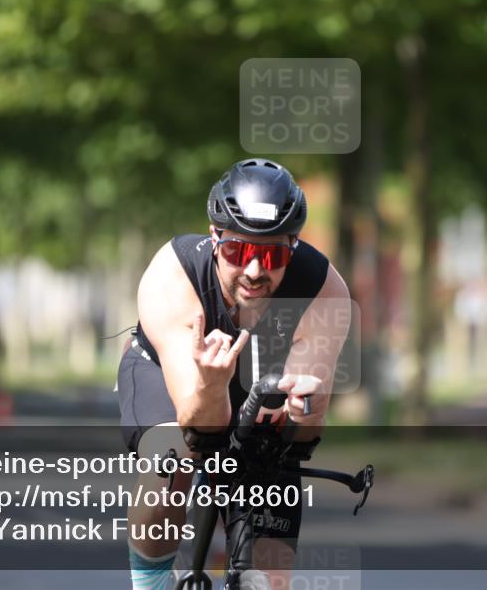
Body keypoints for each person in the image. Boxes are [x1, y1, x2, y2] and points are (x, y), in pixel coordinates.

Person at [118, 158, 351, 590]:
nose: (255, 270)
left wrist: (306, 410)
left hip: (263, 392)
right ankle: (150, 584)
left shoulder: (322, 289)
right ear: (214, 238)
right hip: (174, 384)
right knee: (169, 460)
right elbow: (197, 423)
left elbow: (303, 436)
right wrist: (210, 384)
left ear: (293, 246)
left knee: (268, 578)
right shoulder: (174, 274)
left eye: (272, 254)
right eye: (238, 251)